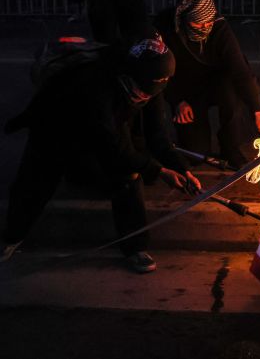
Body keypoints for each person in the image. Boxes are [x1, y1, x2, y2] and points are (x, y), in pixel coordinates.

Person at [1, 34, 200, 273]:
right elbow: (112, 145)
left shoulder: (153, 82)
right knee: (36, 181)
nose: (145, 98)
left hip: (108, 130)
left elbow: (157, 136)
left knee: (129, 175)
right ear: (129, 76)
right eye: (142, 91)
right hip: (58, 129)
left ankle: (135, 246)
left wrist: (181, 168)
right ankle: (12, 237)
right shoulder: (96, 83)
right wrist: (159, 170)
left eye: (152, 93)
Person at [155, 0, 260, 167]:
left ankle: (230, 147)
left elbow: (241, 71)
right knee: (195, 154)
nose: (205, 28)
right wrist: (177, 100)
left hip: (219, 84)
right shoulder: (167, 30)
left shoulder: (220, 28)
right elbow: (159, 72)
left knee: (231, 97)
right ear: (184, 19)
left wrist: (257, 110)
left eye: (208, 23)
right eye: (198, 24)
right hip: (186, 88)